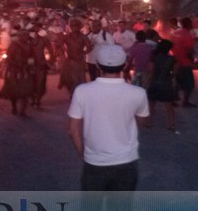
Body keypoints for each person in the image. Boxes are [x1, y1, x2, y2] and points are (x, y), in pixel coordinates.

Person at [68, 45, 150, 191]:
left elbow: (73, 129)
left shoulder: (82, 91)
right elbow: (142, 122)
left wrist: (84, 153)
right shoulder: (138, 92)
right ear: (125, 65)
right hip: (126, 161)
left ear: (98, 65)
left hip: (94, 163)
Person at [0, 29, 34, 116]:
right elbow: (9, 57)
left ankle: (22, 110)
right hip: (14, 70)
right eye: (24, 35)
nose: (26, 37)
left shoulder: (29, 45)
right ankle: (14, 107)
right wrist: (15, 64)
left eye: (27, 35)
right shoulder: (14, 45)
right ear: (19, 36)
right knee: (14, 90)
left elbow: (31, 57)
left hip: (25, 70)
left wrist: (31, 66)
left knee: (26, 90)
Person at [146, 39, 177, 132]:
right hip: (166, 83)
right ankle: (171, 124)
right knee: (169, 106)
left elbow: (150, 71)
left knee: (151, 105)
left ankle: (149, 122)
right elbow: (175, 72)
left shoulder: (154, 58)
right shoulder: (172, 59)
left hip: (154, 82)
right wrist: (170, 77)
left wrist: (148, 81)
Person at [58, 18, 92, 95]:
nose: (74, 28)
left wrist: (83, 53)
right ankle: (72, 93)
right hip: (70, 60)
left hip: (79, 60)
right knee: (70, 79)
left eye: (76, 26)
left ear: (79, 27)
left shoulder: (83, 37)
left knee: (80, 79)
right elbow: (60, 44)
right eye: (72, 26)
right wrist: (65, 50)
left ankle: (80, 94)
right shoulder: (66, 37)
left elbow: (89, 47)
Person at [171, 17, 197, 107]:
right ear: (189, 24)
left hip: (175, 61)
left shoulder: (175, 32)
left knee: (177, 81)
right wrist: (192, 59)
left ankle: (173, 99)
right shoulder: (187, 35)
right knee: (189, 84)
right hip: (185, 62)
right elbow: (189, 50)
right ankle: (185, 102)